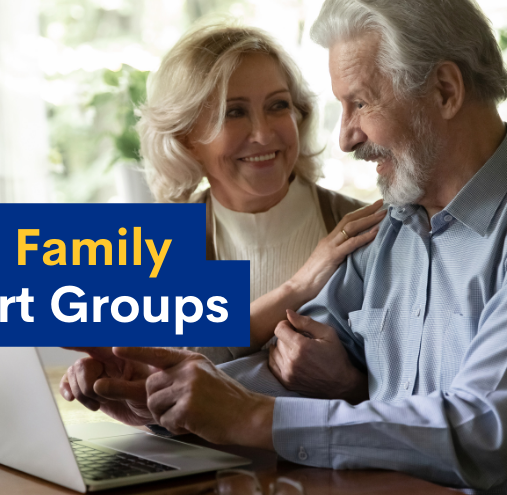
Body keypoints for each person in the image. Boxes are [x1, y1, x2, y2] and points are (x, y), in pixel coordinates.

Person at [61, 0, 507, 492]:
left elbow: (483, 434)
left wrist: (249, 416)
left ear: (446, 91)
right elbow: (281, 371)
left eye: (360, 103)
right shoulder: (390, 228)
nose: (344, 136)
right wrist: (163, 398)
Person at [60, 23, 384, 415]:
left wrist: (349, 384)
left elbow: (413, 396)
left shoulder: (362, 229)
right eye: (234, 113)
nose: (264, 134)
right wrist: (121, 389)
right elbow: (165, 394)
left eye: (278, 105)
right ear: (186, 139)